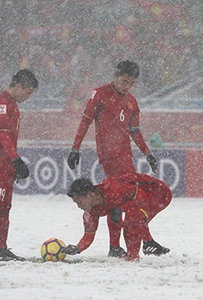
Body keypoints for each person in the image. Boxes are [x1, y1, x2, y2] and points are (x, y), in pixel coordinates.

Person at [67, 60, 160, 257]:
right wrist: (75, 148)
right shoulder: (99, 95)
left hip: (126, 155)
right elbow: (85, 122)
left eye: (132, 83)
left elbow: (135, 132)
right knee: (128, 197)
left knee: (118, 200)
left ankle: (117, 246)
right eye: (125, 81)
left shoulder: (132, 102)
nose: (128, 86)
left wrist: (147, 153)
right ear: (116, 76)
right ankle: (144, 241)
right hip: (109, 155)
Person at [0, 69, 38, 262]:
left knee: (5, 207)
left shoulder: (12, 104)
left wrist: (12, 163)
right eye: (28, 92)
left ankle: (2, 247)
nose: (28, 97)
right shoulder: (2, 103)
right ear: (19, 86)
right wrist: (16, 159)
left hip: (5, 165)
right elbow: (2, 134)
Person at [64, 173, 172, 261]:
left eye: (79, 202)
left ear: (89, 194)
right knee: (117, 214)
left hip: (158, 192)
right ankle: (125, 248)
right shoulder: (91, 212)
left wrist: (121, 208)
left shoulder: (113, 189)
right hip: (139, 198)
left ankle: (133, 256)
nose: (78, 206)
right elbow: (89, 235)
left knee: (132, 216)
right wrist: (78, 248)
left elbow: (141, 196)